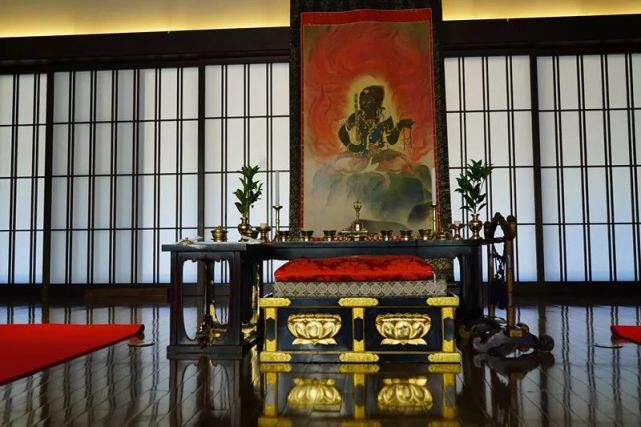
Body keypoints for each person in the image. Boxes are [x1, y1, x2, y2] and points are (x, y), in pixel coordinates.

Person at [338, 85, 414, 159]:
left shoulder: (384, 115)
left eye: (368, 100)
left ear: (376, 102)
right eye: (362, 100)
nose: (364, 103)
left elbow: (391, 140)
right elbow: (342, 132)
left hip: (380, 154)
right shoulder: (357, 116)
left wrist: (400, 125)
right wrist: (350, 146)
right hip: (360, 153)